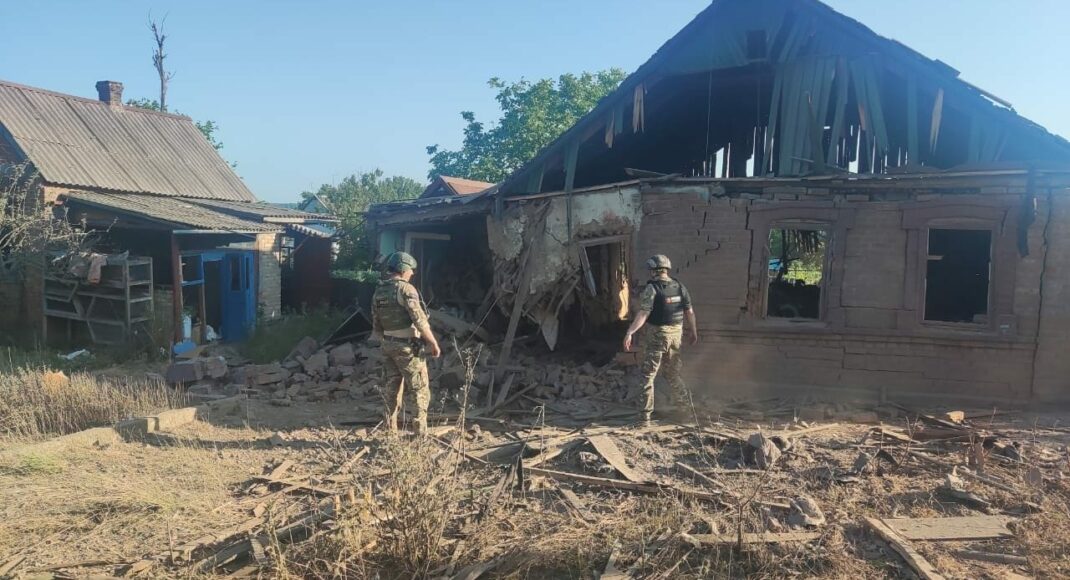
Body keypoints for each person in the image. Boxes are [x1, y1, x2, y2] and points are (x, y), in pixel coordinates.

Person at [371, 251, 442, 435]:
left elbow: (376, 324)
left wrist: (387, 342)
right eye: (411, 270)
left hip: (388, 345)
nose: (412, 274)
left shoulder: (379, 291)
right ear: (403, 269)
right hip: (407, 347)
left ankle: (390, 432)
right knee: (419, 389)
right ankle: (420, 435)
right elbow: (419, 319)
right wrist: (433, 342)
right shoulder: (406, 290)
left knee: (391, 390)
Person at [623, 254, 698, 423]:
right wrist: (693, 331)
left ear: (653, 271)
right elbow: (690, 312)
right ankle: (686, 412)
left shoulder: (652, 289)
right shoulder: (680, 286)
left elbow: (643, 313)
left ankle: (644, 418)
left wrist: (630, 332)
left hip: (657, 335)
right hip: (676, 336)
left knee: (647, 376)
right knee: (672, 374)